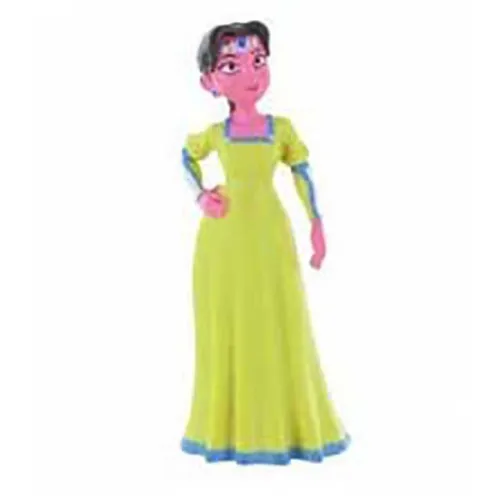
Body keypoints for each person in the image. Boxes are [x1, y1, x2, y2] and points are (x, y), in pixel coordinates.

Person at [180, 20, 351, 465]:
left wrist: (316, 223)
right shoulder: (215, 134)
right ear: (209, 82)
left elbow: (302, 174)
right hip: (222, 241)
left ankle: (289, 425)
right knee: (228, 326)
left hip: (271, 238)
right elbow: (185, 156)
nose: (250, 74)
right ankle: (226, 429)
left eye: (258, 60)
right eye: (231, 65)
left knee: (281, 320)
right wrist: (200, 196)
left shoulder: (283, 129)